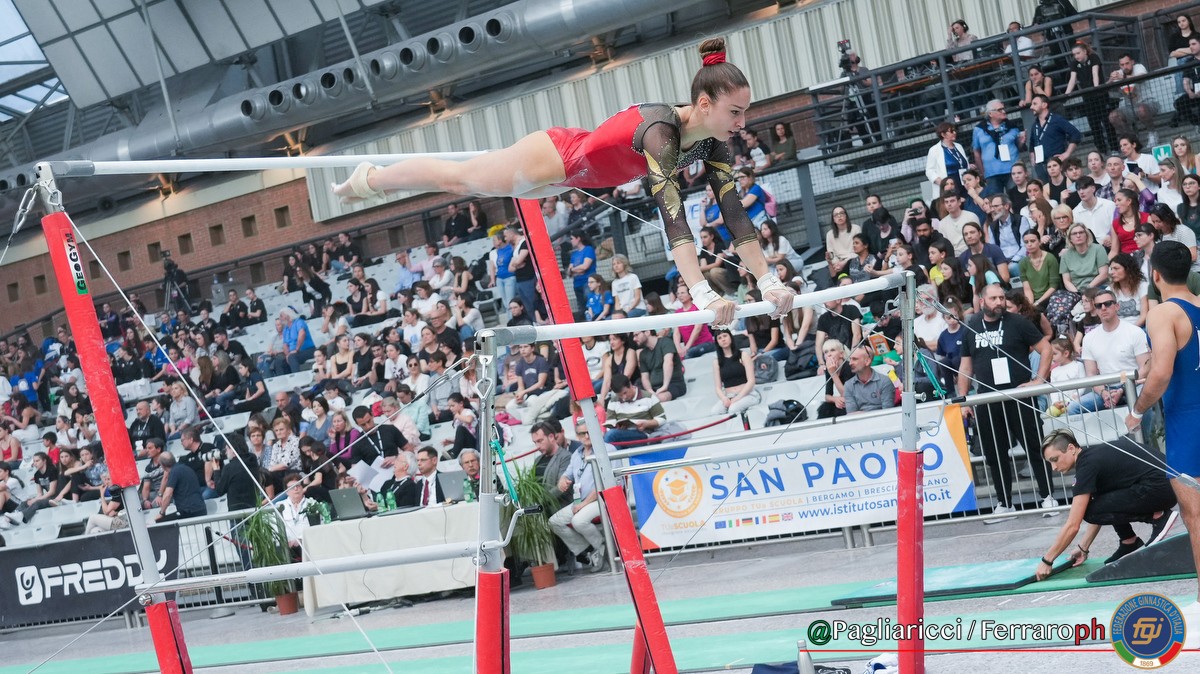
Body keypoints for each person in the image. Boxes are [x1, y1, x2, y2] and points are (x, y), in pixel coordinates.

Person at [332, 37, 795, 327]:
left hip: (572, 180)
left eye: (745, 112)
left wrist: (768, 281)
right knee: (459, 181)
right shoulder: (661, 131)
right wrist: (701, 293)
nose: (742, 122)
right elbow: (673, 217)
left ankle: (372, 179)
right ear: (704, 104)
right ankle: (371, 179)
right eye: (736, 112)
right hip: (554, 157)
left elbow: (735, 216)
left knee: (469, 179)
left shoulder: (714, 143)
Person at [1125, 241, 1200, 646]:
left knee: (1196, 517)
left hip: (1189, 420)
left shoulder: (1163, 312)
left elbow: (1162, 374)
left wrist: (1137, 410)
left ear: (1155, 275)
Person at [957, 283, 1054, 522]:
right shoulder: (971, 326)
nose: (999, 302)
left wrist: (1038, 381)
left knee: (1034, 447)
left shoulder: (1018, 322)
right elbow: (966, 366)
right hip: (987, 399)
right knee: (994, 454)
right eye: (993, 298)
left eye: (1001, 298)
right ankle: (1004, 503)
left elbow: (1046, 349)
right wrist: (964, 400)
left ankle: (1048, 496)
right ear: (982, 301)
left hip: (1019, 396)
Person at [1035, 430, 1177, 580]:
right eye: (1050, 462)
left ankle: (1158, 517)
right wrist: (1083, 547)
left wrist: (1047, 560)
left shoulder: (1087, 465)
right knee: (1098, 501)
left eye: (1055, 459)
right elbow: (1103, 507)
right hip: (1168, 485)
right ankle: (1129, 541)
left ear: (1071, 448)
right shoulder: (1092, 458)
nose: (1054, 467)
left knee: (1089, 511)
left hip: (1162, 487)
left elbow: (1073, 525)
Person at [548, 419, 607, 573]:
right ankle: (590, 551)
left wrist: (583, 504)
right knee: (554, 522)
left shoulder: (607, 449)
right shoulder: (577, 453)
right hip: (582, 501)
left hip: (603, 499)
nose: (586, 436)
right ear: (577, 435)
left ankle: (602, 549)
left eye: (589, 432)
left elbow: (605, 484)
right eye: (582, 433)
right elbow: (567, 474)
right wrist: (562, 480)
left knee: (578, 521)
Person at [1064, 41, 1117, 155]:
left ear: (1085, 51)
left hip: (1101, 95)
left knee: (1107, 122)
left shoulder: (1094, 57)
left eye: (1078, 53)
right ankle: (1102, 150)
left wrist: (1096, 88)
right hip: (1088, 98)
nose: (1076, 56)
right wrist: (1066, 94)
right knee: (1094, 124)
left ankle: (1114, 148)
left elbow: (1095, 74)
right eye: (1074, 54)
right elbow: (1072, 79)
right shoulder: (1074, 64)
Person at [972, 101, 1023, 197]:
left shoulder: (1011, 126)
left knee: (1016, 198)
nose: (1004, 111)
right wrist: (983, 172)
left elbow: (1018, 147)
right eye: (1000, 110)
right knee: (996, 201)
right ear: (990, 113)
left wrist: (1022, 141)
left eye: (1003, 109)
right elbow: (976, 152)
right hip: (991, 172)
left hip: (1012, 170)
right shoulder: (979, 129)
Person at [1028, 94, 1081, 182]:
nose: (1031, 107)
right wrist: (1033, 158)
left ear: (1044, 105)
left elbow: (1076, 134)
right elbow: (1031, 143)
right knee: (1046, 189)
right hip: (1041, 167)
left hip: (1057, 164)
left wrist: (1067, 153)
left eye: (1035, 104)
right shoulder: (1035, 125)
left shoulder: (1057, 120)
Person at [603, 374, 666, 445]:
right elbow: (610, 422)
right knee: (612, 442)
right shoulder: (613, 401)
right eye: (620, 395)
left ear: (630, 385)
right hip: (621, 436)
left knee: (611, 435)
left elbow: (662, 419)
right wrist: (617, 426)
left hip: (643, 434)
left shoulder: (648, 397)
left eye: (625, 393)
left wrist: (646, 424)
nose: (624, 397)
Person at [709, 329, 759, 415]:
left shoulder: (743, 355)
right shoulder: (716, 362)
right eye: (719, 338)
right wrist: (724, 398)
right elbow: (718, 387)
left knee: (733, 409)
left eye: (725, 336)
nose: (723, 339)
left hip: (747, 394)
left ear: (730, 337)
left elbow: (751, 381)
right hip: (729, 396)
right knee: (715, 411)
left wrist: (737, 398)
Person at [635, 328, 687, 402]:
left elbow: (668, 363)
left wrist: (665, 386)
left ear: (647, 332)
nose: (634, 339)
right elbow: (644, 376)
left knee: (662, 397)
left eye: (636, 335)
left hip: (673, 384)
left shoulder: (666, 342)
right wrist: (650, 391)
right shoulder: (643, 354)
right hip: (654, 388)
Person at [155, 452, 207, 522]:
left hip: (189, 511)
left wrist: (161, 513)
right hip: (201, 509)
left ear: (162, 465)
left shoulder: (174, 472)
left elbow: (168, 494)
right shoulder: (186, 468)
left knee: (159, 521)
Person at [925, 122, 970, 195]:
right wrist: (943, 184)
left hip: (964, 185)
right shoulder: (934, 150)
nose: (955, 133)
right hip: (949, 188)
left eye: (955, 130)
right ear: (943, 134)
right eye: (951, 131)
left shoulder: (959, 146)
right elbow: (929, 171)